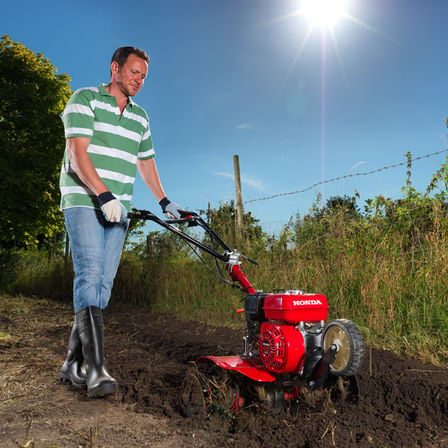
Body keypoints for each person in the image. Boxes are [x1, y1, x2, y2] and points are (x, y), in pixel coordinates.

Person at [58, 46, 183, 398]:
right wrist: (102, 194)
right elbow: (77, 152)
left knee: (103, 287)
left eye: (144, 76)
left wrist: (164, 200)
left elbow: (145, 162)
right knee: (90, 274)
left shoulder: (141, 117)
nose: (139, 80)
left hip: (119, 207)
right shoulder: (85, 99)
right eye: (134, 72)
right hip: (84, 198)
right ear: (115, 69)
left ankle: (71, 363)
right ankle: (95, 370)